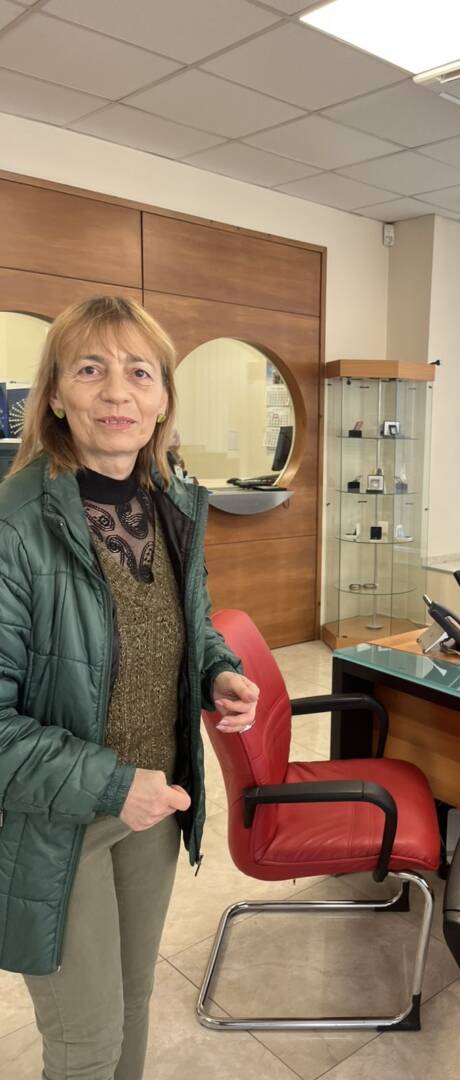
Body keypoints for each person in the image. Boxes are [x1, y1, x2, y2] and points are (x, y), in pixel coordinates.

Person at [0, 296, 261, 1080]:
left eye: (139, 373)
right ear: (55, 394)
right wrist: (116, 785)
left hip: (155, 801)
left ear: (163, 399)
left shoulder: (173, 502)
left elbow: (189, 619)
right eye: (90, 369)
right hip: (56, 822)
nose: (117, 391)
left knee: (135, 1000)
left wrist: (216, 669)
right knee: (87, 1043)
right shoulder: (14, 525)